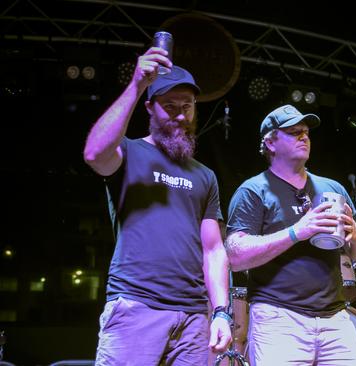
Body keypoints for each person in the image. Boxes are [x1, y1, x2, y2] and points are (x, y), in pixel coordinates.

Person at [83, 46, 232, 365]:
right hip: (137, 307)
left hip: (193, 317)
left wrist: (220, 312)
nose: (180, 114)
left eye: (187, 106)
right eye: (169, 106)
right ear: (149, 108)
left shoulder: (205, 176)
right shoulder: (129, 153)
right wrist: (136, 85)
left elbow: (214, 250)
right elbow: (95, 154)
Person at [225, 104, 356, 365]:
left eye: (306, 132)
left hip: (335, 318)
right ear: (270, 143)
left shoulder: (332, 188)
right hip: (278, 318)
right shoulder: (253, 190)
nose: (304, 137)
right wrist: (297, 232)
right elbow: (236, 255)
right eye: (294, 132)